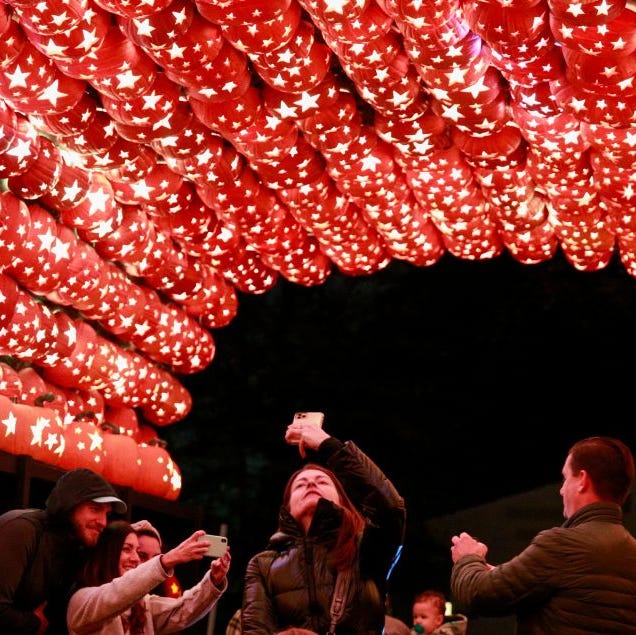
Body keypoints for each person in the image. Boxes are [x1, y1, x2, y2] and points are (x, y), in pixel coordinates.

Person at [450, 435, 636, 634]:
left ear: (582, 480)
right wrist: (502, 573)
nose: (561, 490)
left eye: (565, 478)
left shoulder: (561, 545)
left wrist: (468, 558)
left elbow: (479, 595)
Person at [241, 417, 406, 634]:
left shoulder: (364, 549)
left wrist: (328, 445)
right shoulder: (263, 565)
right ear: (288, 507)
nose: (310, 483)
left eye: (322, 482)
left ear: (340, 499)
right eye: (300, 484)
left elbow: (391, 508)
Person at [0, 467, 127, 635]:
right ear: (69, 505)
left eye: (107, 514)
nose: (103, 522)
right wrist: (34, 624)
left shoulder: (76, 548)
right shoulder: (22, 529)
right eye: (95, 509)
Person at [66, 519, 231, 634]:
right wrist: (167, 560)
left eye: (155, 557)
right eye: (128, 549)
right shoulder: (81, 601)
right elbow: (117, 593)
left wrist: (213, 581)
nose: (137, 560)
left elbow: (183, 611)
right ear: (109, 552)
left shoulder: (143, 606)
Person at [131, 519, 183, 598]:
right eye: (142, 556)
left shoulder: (167, 589)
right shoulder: (108, 591)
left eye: (155, 559)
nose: (150, 564)